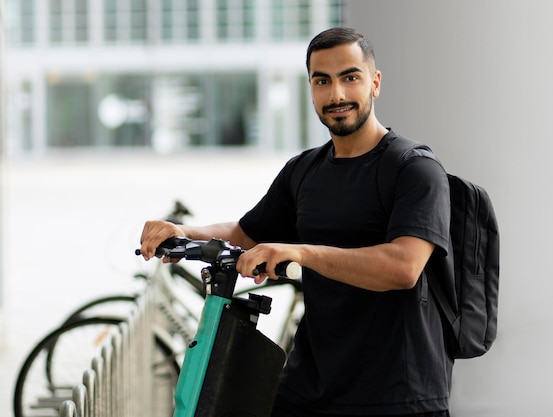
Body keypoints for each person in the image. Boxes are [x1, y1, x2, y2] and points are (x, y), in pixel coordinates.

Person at [140, 27, 452, 417]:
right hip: (310, 388)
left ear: (374, 83)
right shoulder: (304, 170)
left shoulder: (414, 169)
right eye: (322, 81)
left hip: (396, 394)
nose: (336, 95)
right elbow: (246, 233)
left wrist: (303, 253)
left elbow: (403, 267)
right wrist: (184, 232)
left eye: (349, 77)